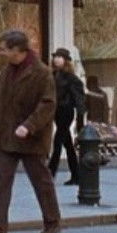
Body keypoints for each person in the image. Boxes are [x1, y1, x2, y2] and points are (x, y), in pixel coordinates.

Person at [0, 29, 61, 233]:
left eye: (3, 49)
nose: (0, 53)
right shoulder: (6, 72)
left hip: (32, 138)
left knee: (41, 181)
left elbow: (48, 104)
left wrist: (29, 126)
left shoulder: (42, 72)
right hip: (7, 136)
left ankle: (52, 222)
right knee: (2, 180)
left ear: (17, 50)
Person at [48, 48, 85, 185]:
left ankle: (50, 174)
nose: (56, 59)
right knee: (68, 144)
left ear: (66, 60)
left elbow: (79, 99)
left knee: (57, 142)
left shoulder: (71, 78)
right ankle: (76, 175)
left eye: (60, 57)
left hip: (66, 111)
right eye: (55, 56)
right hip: (56, 112)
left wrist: (80, 120)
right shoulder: (52, 76)